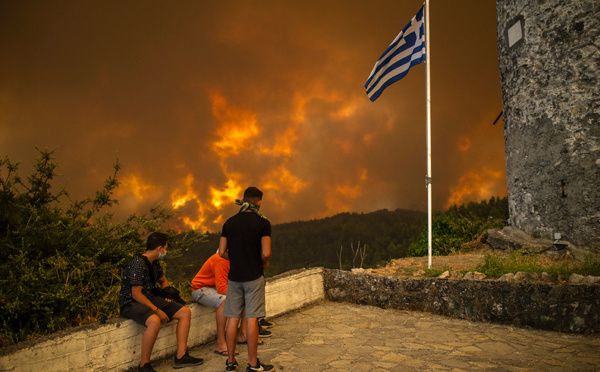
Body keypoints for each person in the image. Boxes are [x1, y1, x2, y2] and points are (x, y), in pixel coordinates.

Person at [119, 232, 204, 372]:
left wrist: (166, 294)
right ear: (159, 248)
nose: (166, 251)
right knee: (154, 321)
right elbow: (136, 294)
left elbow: (163, 280)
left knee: (184, 312)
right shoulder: (138, 263)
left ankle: (181, 356)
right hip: (131, 302)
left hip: (149, 297)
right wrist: (157, 310)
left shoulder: (154, 263)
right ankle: (144, 365)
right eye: (165, 247)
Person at [219, 187, 274, 372]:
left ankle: (231, 363)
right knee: (252, 319)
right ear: (258, 202)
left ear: (244, 200)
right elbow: (266, 252)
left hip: (234, 278)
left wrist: (235, 259)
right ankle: (253, 364)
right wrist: (262, 262)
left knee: (233, 319)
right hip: (253, 277)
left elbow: (221, 252)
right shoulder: (262, 222)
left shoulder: (229, 222)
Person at [191, 252, 272, 356]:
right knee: (225, 301)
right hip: (201, 289)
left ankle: (243, 335)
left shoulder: (237, 258)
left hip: (214, 287)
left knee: (247, 295)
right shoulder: (222, 259)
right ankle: (220, 343)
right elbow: (221, 288)